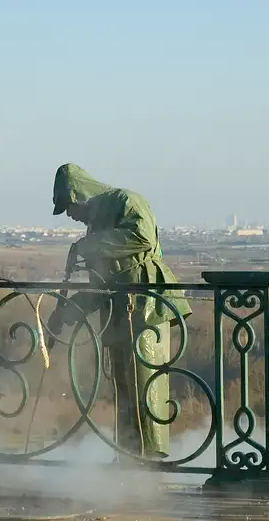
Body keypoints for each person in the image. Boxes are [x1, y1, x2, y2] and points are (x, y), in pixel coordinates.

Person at [45, 163, 192, 461]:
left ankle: (150, 456)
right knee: (123, 386)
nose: (70, 215)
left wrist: (89, 245)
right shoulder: (95, 226)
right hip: (118, 312)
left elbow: (143, 237)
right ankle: (128, 455)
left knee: (145, 379)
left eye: (68, 207)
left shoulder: (125, 201)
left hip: (146, 306)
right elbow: (101, 286)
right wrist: (65, 313)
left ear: (78, 193)